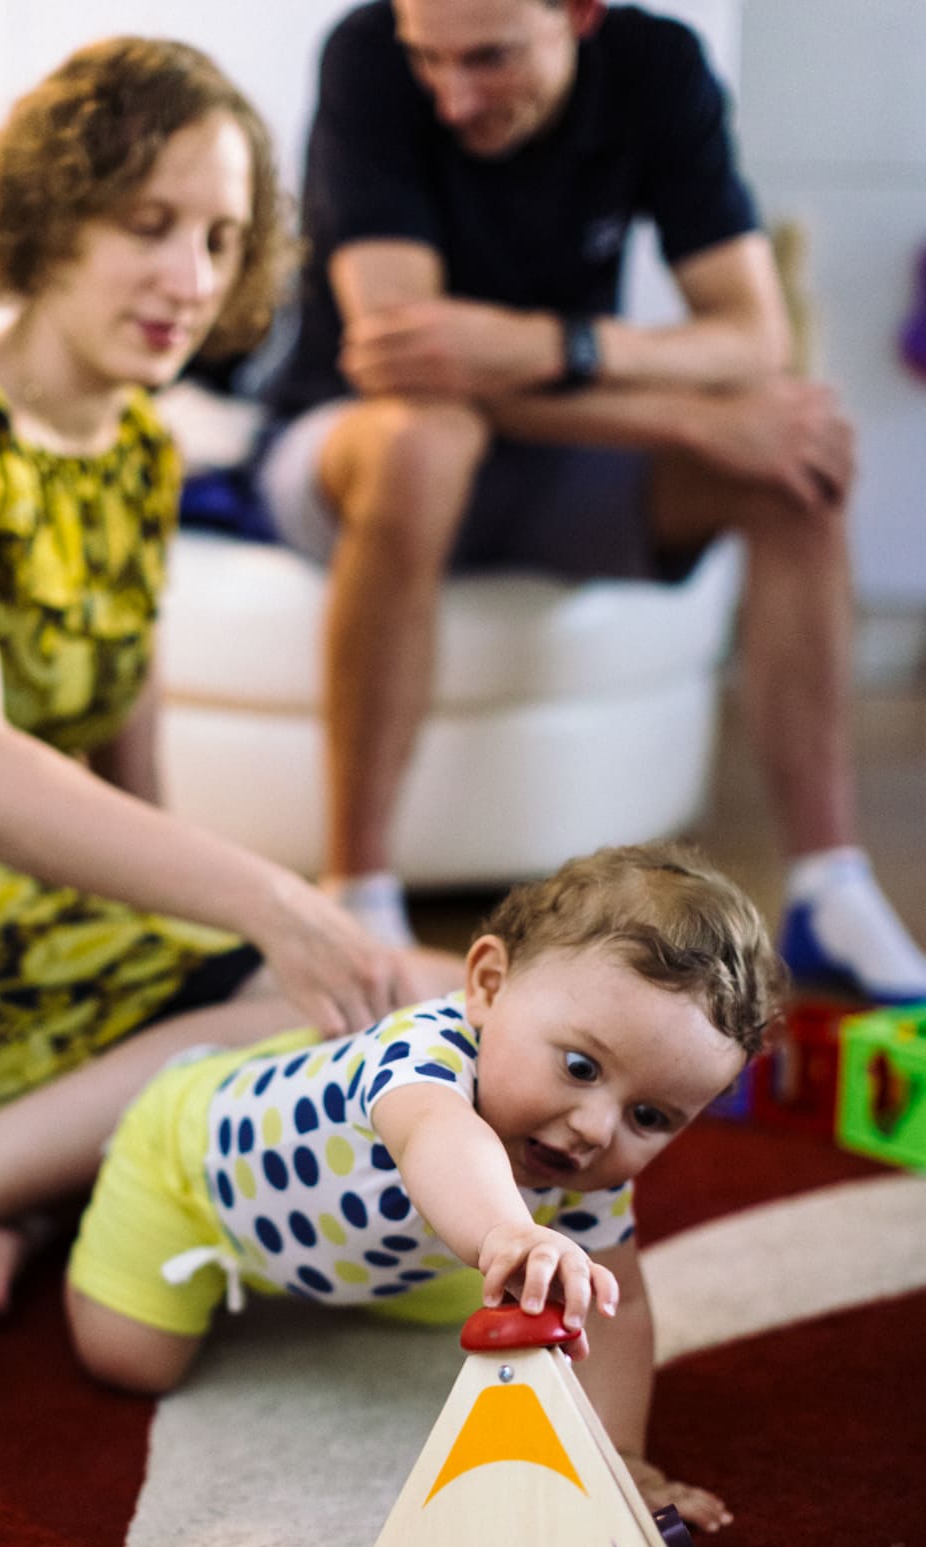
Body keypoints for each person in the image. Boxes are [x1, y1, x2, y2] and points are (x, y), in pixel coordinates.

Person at [0, 38, 460, 1398]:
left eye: (221, 239)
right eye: (149, 223)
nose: (192, 276)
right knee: (345, 1010)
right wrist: (275, 904)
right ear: (53, 213)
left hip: (11, 931)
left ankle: (43, 1191)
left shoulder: (134, 452)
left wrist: (241, 934)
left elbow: (132, 795)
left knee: (417, 1001)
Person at [255, 0, 926, 1006]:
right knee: (426, 442)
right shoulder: (364, 55)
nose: (453, 98)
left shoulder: (660, 66)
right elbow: (410, 368)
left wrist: (548, 345)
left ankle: (831, 886)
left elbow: (754, 337)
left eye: (490, 59)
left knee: (796, 465)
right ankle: (358, 893)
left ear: (579, 14)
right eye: (429, 60)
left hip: (548, 448)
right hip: (360, 442)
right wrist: (687, 416)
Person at [64, 841, 786, 1529]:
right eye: (580, 1067)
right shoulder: (420, 1050)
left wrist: (621, 1454)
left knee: (520, 1285)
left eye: (650, 1117)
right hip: (190, 1176)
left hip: (392, 1237)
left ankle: (460, 1242)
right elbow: (439, 1137)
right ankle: (67, 1203)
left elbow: (618, 1312)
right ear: (487, 987)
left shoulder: (584, 1167)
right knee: (131, 1359)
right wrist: (509, 1232)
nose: (596, 1128)